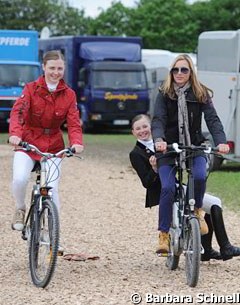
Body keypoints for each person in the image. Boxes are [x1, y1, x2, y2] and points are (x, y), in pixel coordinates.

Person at [130, 114, 240, 261]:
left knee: (214, 203)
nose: (142, 130)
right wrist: (154, 168)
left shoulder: (167, 141)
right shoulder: (136, 154)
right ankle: (215, 246)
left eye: (145, 126)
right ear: (133, 132)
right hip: (162, 190)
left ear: (152, 127)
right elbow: (147, 183)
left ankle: (210, 248)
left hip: (178, 185)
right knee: (210, 202)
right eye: (138, 128)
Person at [8, 50, 83, 237]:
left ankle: (53, 235)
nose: (56, 72)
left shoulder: (69, 94)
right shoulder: (31, 89)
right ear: (43, 67)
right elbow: (18, 114)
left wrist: (76, 142)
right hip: (28, 143)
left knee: (52, 188)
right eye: (52, 68)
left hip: (54, 147)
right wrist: (15, 135)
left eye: (60, 68)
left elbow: (73, 122)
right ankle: (20, 208)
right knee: (20, 178)